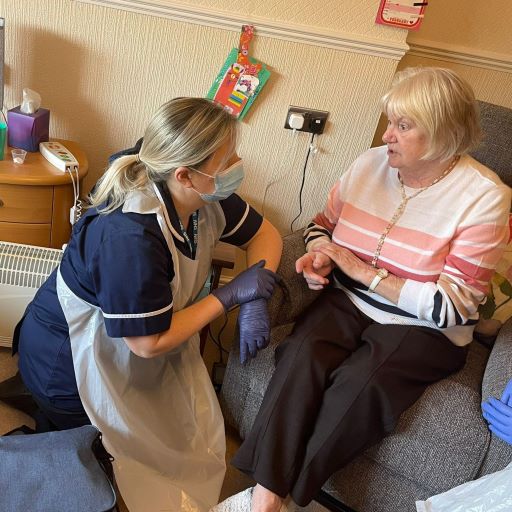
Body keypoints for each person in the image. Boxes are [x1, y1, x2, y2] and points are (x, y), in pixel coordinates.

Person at [227, 67, 512, 511]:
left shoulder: (484, 197)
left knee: (360, 386)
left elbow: (453, 308)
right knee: (301, 355)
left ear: (441, 134)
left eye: (402, 125)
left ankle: (282, 496)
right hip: (347, 301)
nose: (386, 136)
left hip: (424, 328)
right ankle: (267, 497)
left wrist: (361, 271)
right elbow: (320, 227)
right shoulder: (368, 164)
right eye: (389, 121)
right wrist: (321, 255)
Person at [12, 97, 282, 511]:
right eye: (228, 158)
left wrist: (256, 297)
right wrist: (229, 295)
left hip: (129, 346)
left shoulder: (202, 190)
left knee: (178, 431)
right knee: (106, 469)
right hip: (68, 363)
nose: (237, 164)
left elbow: (267, 236)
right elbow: (147, 343)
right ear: (185, 175)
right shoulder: (130, 235)